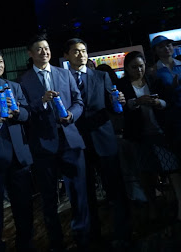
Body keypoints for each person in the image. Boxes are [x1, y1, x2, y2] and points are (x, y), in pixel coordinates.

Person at [19, 35, 89, 251]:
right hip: (42, 145)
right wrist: (41, 101)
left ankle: (83, 239)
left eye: (47, 48)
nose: (45, 52)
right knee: (49, 198)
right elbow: (24, 112)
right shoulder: (23, 80)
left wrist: (71, 114)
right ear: (30, 53)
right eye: (39, 49)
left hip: (70, 140)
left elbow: (78, 101)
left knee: (78, 193)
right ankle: (56, 242)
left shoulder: (64, 73)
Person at [63, 38, 131, 248]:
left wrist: (119, 102)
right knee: (85, 193)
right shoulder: (62, 79)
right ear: (66, 55)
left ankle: (123, 234)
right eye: (75, 51)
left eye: (83, 50)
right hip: (78, 142)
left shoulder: (101, 76)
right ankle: (93, 238)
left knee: (115, 190)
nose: (81, 54)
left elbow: (113, 107)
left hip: (103, 139)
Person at [0, 48, 35, 252]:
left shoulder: (14, 86)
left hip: (19, 155)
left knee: (23, 206)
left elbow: (28, 114)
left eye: (1, 61)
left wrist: (18, 111)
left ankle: (25, 244)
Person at [117, 51, 181, 222]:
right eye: (134, 67)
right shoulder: (122, 85)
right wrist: (136, 102)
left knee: (172, 167)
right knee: (146, 173)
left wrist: (157, 102)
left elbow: (167, 102)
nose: (139, 70)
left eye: (141, 66)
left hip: (160, 131)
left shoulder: (154, 80)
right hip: (139, 134)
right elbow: (121, 108)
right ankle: (153, 206)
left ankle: (175, 203)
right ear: (127, 68)